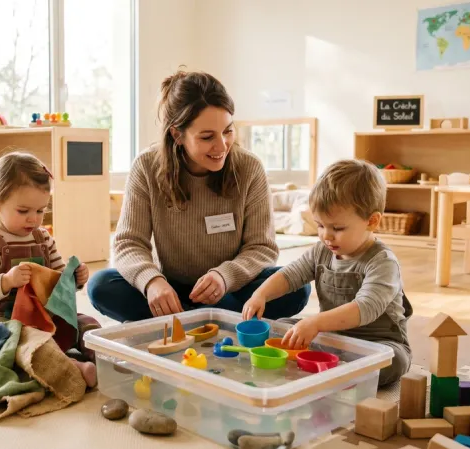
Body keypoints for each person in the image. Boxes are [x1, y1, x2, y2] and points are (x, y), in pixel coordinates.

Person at [87, 69, 311, 322]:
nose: (222, 145)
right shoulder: (146, 166)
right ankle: (209, 319)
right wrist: (151, 282)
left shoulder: (250, 168)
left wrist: (225, 276)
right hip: (169, 289)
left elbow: (262, 247)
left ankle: (185, 320)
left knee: (296, 286)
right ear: (177, 135)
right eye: (207, 137)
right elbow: (129, 243)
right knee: (101, 285)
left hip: (229, 290)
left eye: (228, 131)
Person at [242, 159, 412, 386]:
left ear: (371, 221)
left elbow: (366, 307)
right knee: (281, 327)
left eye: (337, 228)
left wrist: (316, 323)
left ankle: (332, 369)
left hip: (378, 343)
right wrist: (260, 295)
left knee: (394, 361)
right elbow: (290, 274)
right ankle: (331, 367)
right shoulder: (321, 251)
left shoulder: (383, 262)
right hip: (332, 337)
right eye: (320, 225)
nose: (326, 236)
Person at [0, 151, 100, 387]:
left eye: (40, 211)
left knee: (86, 324)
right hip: (1, 319)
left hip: (43, 314)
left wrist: (75, 278)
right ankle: (71, 368)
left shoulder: (42, 238)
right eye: (23, 211)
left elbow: (58, 280)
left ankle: (105, 358)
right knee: (22, 341)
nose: (33, 219)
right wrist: (5, 282)